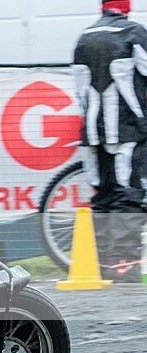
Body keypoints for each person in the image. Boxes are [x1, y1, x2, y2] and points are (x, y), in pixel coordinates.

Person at [73, 0, 147, 281]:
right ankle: (124, 262)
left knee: (103, 194)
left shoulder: (84, 37)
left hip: (94, 130)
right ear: (126, 8)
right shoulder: (134, 32)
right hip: (128, 128)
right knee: (128, 191)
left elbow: (79, 87)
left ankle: (105, 263)